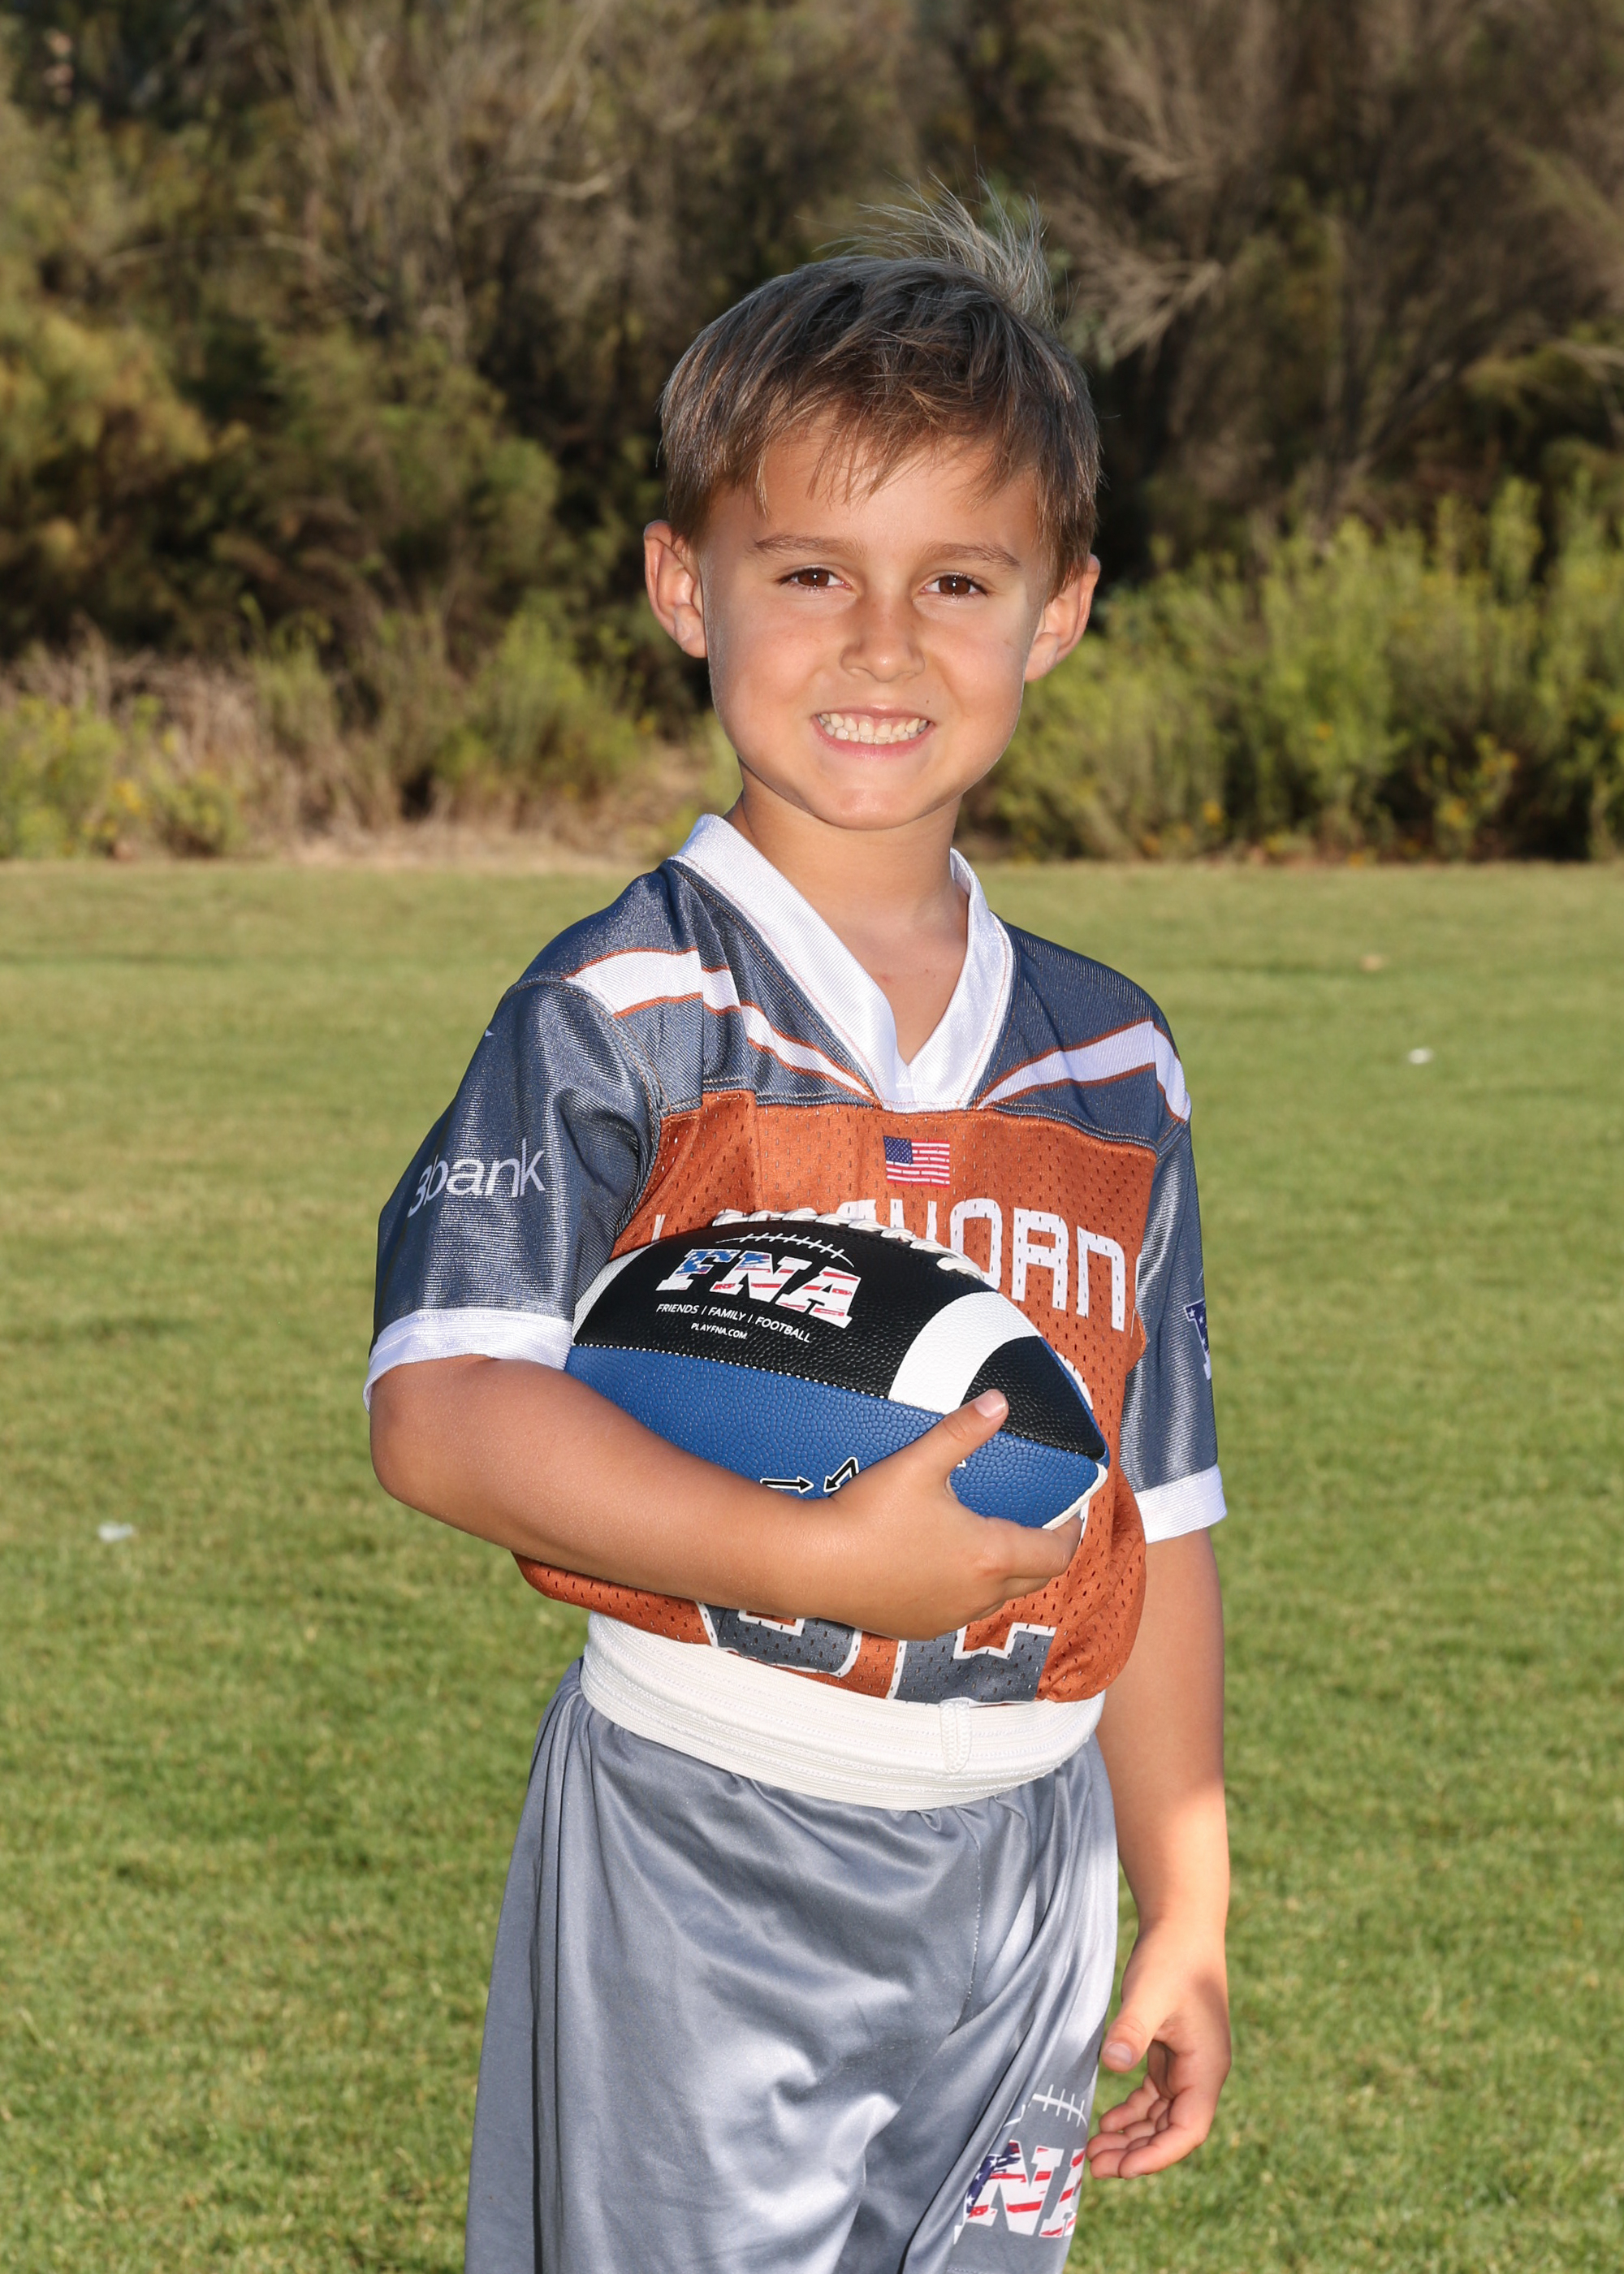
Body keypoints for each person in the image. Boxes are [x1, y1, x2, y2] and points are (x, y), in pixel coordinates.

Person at [367, 196, 1231, 2274]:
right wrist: (814, 1556)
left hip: (1024, 1859)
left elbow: (1157, 1509)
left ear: (1059, 611)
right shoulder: (626, 1009)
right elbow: (444, 1411)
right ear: (686, 585)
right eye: (812, 571)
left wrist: (1186, 1883)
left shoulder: (1112, 1057)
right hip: (710, 1827)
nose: (881, 642)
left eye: (958, 580)